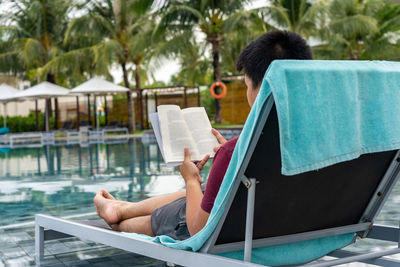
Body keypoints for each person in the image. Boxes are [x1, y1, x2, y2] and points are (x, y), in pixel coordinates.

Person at [93, 30, 313, 240]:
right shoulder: (319, 145)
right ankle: (122, 208)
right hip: (288, 227)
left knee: (173, 212)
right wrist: (238, 158)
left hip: (233, 235)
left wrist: (190, 180)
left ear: (260, 88)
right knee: (207, 191)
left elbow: (198, 229)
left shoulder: (230, 153)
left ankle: (118, 220)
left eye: (246, 85)